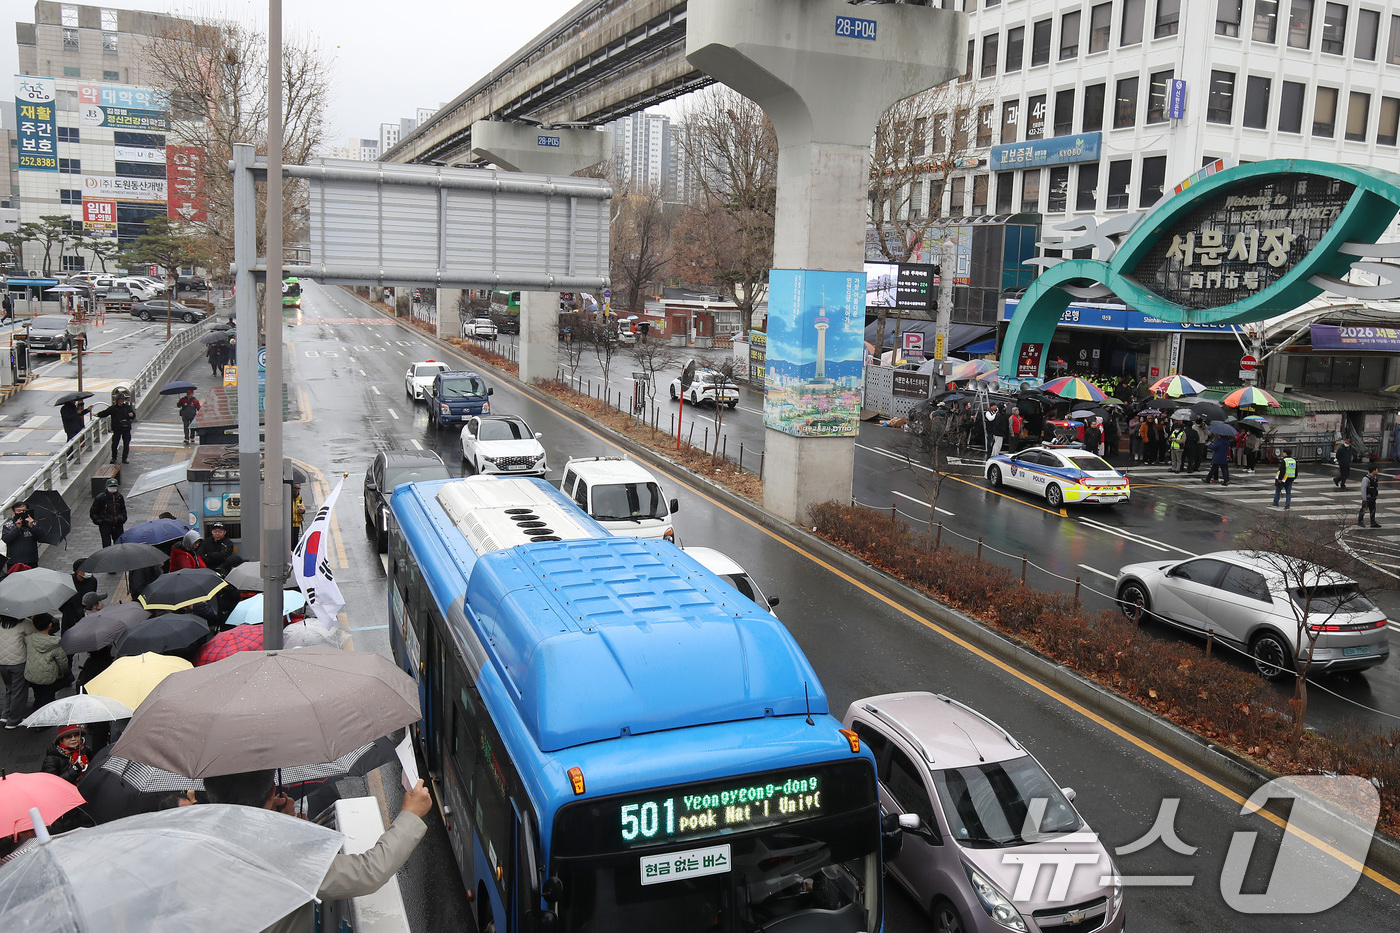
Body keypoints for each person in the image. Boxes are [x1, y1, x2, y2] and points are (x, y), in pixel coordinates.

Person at [202, 769, 433, 933]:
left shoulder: (194, 836)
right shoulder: (279, 852)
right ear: (273, 790)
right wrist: (410, 815)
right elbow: (369, 871)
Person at [24, 613, 68, 712]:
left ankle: (37, 706)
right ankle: (44, 719)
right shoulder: (55, 642)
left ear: (34, 625)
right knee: (47, 697)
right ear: (50, 625)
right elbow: (62, 661)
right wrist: (62, 672)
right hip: (47, 675)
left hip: (32, 673)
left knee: (38, 692)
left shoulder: (28, 639)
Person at [0, 614, 38, 728]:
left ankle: (5, 715)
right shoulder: (25, 623)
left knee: (9, 688)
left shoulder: (1, 623)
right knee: (19, 691)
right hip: (18, 662)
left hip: (2, 663)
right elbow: (35, 633)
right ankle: (14, 720)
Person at [97, 390, 136, 464]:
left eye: (123, 400)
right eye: (120, 400)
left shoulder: (127, 407)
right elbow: (105, 412)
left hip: (126, 428)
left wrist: (132, 415)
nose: (122, 401)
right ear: (117, 400)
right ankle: (114, 457)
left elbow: (133, 415)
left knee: (126, 444)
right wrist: (98, 414)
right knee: (114, 444)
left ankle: (125, 458)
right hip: (117, 429)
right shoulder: (113, 408)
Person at [2, 501, 42, 570]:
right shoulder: (9, 525)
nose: (21, 513)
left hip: (31, 560)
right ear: (13, 512)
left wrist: (32, 527)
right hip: (14, 561)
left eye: (24, 511)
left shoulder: (33, 523)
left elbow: (40, 537)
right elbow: (6, 539)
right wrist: (17, 529)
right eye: (18, 511)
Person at [60, 558, 98, 630]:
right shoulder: (68, 582)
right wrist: (70, 611)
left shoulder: (92, 581)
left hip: (86, 618)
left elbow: (92, 597)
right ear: (78, 572)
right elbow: (61, 602)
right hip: (69, 619)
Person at [90, 477, 127, 547]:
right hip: (105, 526)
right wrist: (101, 522)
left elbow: (123, 509)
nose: (113, 488)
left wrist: (122, 518)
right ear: (106, 486)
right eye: (111, 486)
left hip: (117, 525)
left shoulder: (119, 497)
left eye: (114, 486)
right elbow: (93, 512)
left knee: (119, 544)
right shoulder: (100, 498)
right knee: (106, 545)